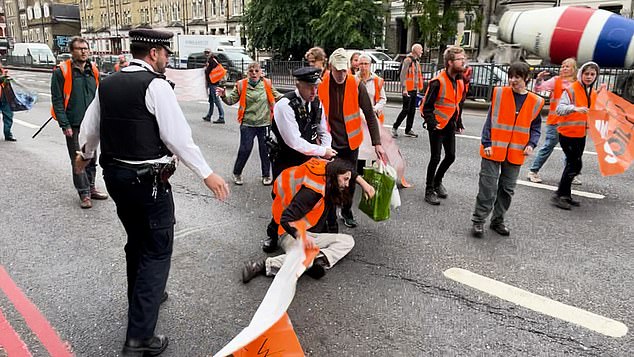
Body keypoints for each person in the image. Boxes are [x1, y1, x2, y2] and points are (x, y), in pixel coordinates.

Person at [76, 29, 229, 356]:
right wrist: (207, 173)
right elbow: (178, 137)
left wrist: (84, 155)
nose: (168, 59)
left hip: (116, 178)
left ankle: (143, 295)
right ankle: (139, 339)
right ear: (154, 53)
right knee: (157, 249)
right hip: (148, 183)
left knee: (137, 240)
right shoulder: (155, 85)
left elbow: (91, 129)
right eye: (166, 53)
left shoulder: (109, 82)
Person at [242, 158, 373, 283]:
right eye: (345, 179)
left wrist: (364, 184)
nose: (347, 184)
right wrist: (302, 237)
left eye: (348, 180)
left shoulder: (328, 170)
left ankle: (314, 261)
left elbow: (348, 170)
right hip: (290, 233)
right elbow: (286, 219)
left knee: (347, 241)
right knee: (305, 258)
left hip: (310, 233)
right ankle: (262, 266)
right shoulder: (311, 193)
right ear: (335, 175)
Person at [263, 66, 335, 253]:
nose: (314, 91)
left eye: (316, 87)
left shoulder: (317, 103)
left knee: (307, 196)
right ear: (299, 85)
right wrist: (321, 151)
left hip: (307, 156)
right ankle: (273, 234)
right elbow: (293, 141)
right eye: (310, 87)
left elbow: (323, 130)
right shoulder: (285, 106)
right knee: (282, 198)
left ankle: (305, 231)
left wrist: (326, 149)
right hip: (285, 158)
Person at [471, 62, 544, 238]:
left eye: (517, 77)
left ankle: (497, 220)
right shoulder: (500, 93)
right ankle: (479, 221)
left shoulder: (536, 102)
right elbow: (490, 120)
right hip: (493, 148)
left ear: (526, 78)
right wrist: (486, 142)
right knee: (487, 188)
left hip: (516, 152)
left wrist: (531, 144)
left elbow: (535, 127)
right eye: (511, 76)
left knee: (507, 189)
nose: (512, 80)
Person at [318, 48, 387, 229]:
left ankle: (347, 211)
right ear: (330, 67)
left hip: (350, 143)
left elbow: (370, 116)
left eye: (344, 70)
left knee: (349, 182)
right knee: (331, 181)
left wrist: (377, 143)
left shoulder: (356, 84)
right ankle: (330, 215)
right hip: (329, 143)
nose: (341, 74)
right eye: (337, 70)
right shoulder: (321, 84)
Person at [51, 36, 107, 209]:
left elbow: (99, 97)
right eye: (79, 49)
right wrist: (64, 125)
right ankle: (84, 193)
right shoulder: (62, 71)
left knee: (91, 157)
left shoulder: (93, 70)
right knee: (79, 158)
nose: (84, 52)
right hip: (74, 124)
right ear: (71, 51)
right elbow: (58, 100)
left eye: (86, 48)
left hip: (91, 123)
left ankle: (91, 187)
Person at [217, 62, 282, 185]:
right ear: (247, 73)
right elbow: (231, 100)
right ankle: (237, 173)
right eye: (251, 71)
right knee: (245, 149)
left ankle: (266, 175)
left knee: (266, 150)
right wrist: (224, 96)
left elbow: (278, 96)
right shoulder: (241, 85)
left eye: (256, 71)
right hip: (248, 124)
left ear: (261, 72)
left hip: (264, 123)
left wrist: (294, 96)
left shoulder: (267, 83)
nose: (254, 73)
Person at [551, 62, 604, 210]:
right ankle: (560, 196)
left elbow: (596, 109)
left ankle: (564, 194)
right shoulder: (571, 89)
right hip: (567, 134)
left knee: (574, 164)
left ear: (596, 76)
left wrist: (602, 94)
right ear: (581, 74)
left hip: (580, 134)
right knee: (574, 164)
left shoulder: (591, 92)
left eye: (592, 74)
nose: (589, 77)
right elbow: (559, 109)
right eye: (586, 74)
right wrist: (575, 108)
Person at [421, 46, 467, 205]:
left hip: (450, 125)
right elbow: (425, 107)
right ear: (450, 62)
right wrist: (433, 124)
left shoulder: (459, 80)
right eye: (460, 59)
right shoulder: (437, 82)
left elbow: (457, 103)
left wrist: (458, 121)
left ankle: (437, 181)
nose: (463, 62)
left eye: (463, 59)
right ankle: (429, 190)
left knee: (451, 156)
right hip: (437, 126)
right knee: (435, 157)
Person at [527, 58, 580, 184]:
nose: (564, 68)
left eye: (567, 66)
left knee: (570, 149)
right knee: (548, 146)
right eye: (563, 66)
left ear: (574, 69)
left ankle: (570, 174)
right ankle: (533, 171)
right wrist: (539, 79)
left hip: (570, 122)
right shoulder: (556, 81)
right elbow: (539, 88)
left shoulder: (578, 84)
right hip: (555, 121)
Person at [392, 43, 424, 138]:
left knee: (412, 111)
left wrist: (418, 89)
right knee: (406, 110)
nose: (422, 51)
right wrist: (404, 89)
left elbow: (416, 77)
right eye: (421, 49)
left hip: (413, 90)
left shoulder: (416, 62)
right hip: (407, 90)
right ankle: (395, 127)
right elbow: (403, 75)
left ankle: (408, 129)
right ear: (415, 51)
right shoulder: (408, 61)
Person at [203, 50, 226, 123]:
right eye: (205, 52)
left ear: (211, 53)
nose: (206, 54)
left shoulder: (212, 60)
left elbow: (209, 71)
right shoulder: (213, 60)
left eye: (208, 52)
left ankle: (221, 116)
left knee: (216, 100)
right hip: (212, 83)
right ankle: (209, 116)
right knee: (211, 100)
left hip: (213, 83)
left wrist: (206, 69)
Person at [0, 63, 15, 141]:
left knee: (8, 116)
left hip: (4, 98)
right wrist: (3, 77)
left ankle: (8, 134)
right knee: (8, 116)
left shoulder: (2, 71)